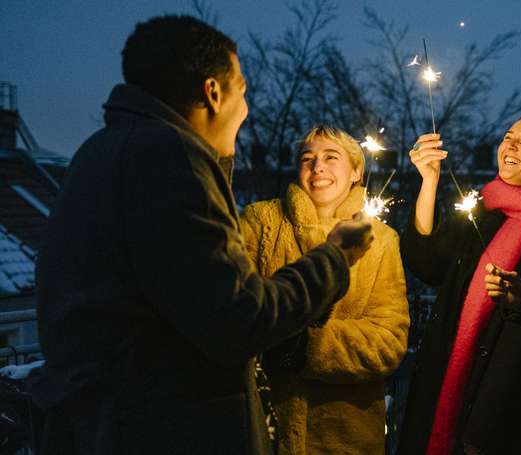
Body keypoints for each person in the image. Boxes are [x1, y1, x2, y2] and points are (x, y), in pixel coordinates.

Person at [31, 16, 373, 455]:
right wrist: (335, 257)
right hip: (162, 431)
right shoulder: (167, 158)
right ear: (213, 92)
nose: (247, 110)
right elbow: (240, 319)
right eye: (243, 90)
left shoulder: (100, 153)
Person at [397, 113, 521, 455]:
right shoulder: (480, 209)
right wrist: (429, 181)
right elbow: (427, 264)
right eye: (509, 134)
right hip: (441, 372)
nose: (511, 142)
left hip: (499, 394)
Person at [240, 125, 409, 455]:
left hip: (345, 437)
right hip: (265, 427)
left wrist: (308, 347)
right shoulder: (262, 222)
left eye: (331, 157)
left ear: (356, 171)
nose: (317, 167)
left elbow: (389, 341)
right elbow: (238, 304)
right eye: (308, 158)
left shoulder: (381, 241)